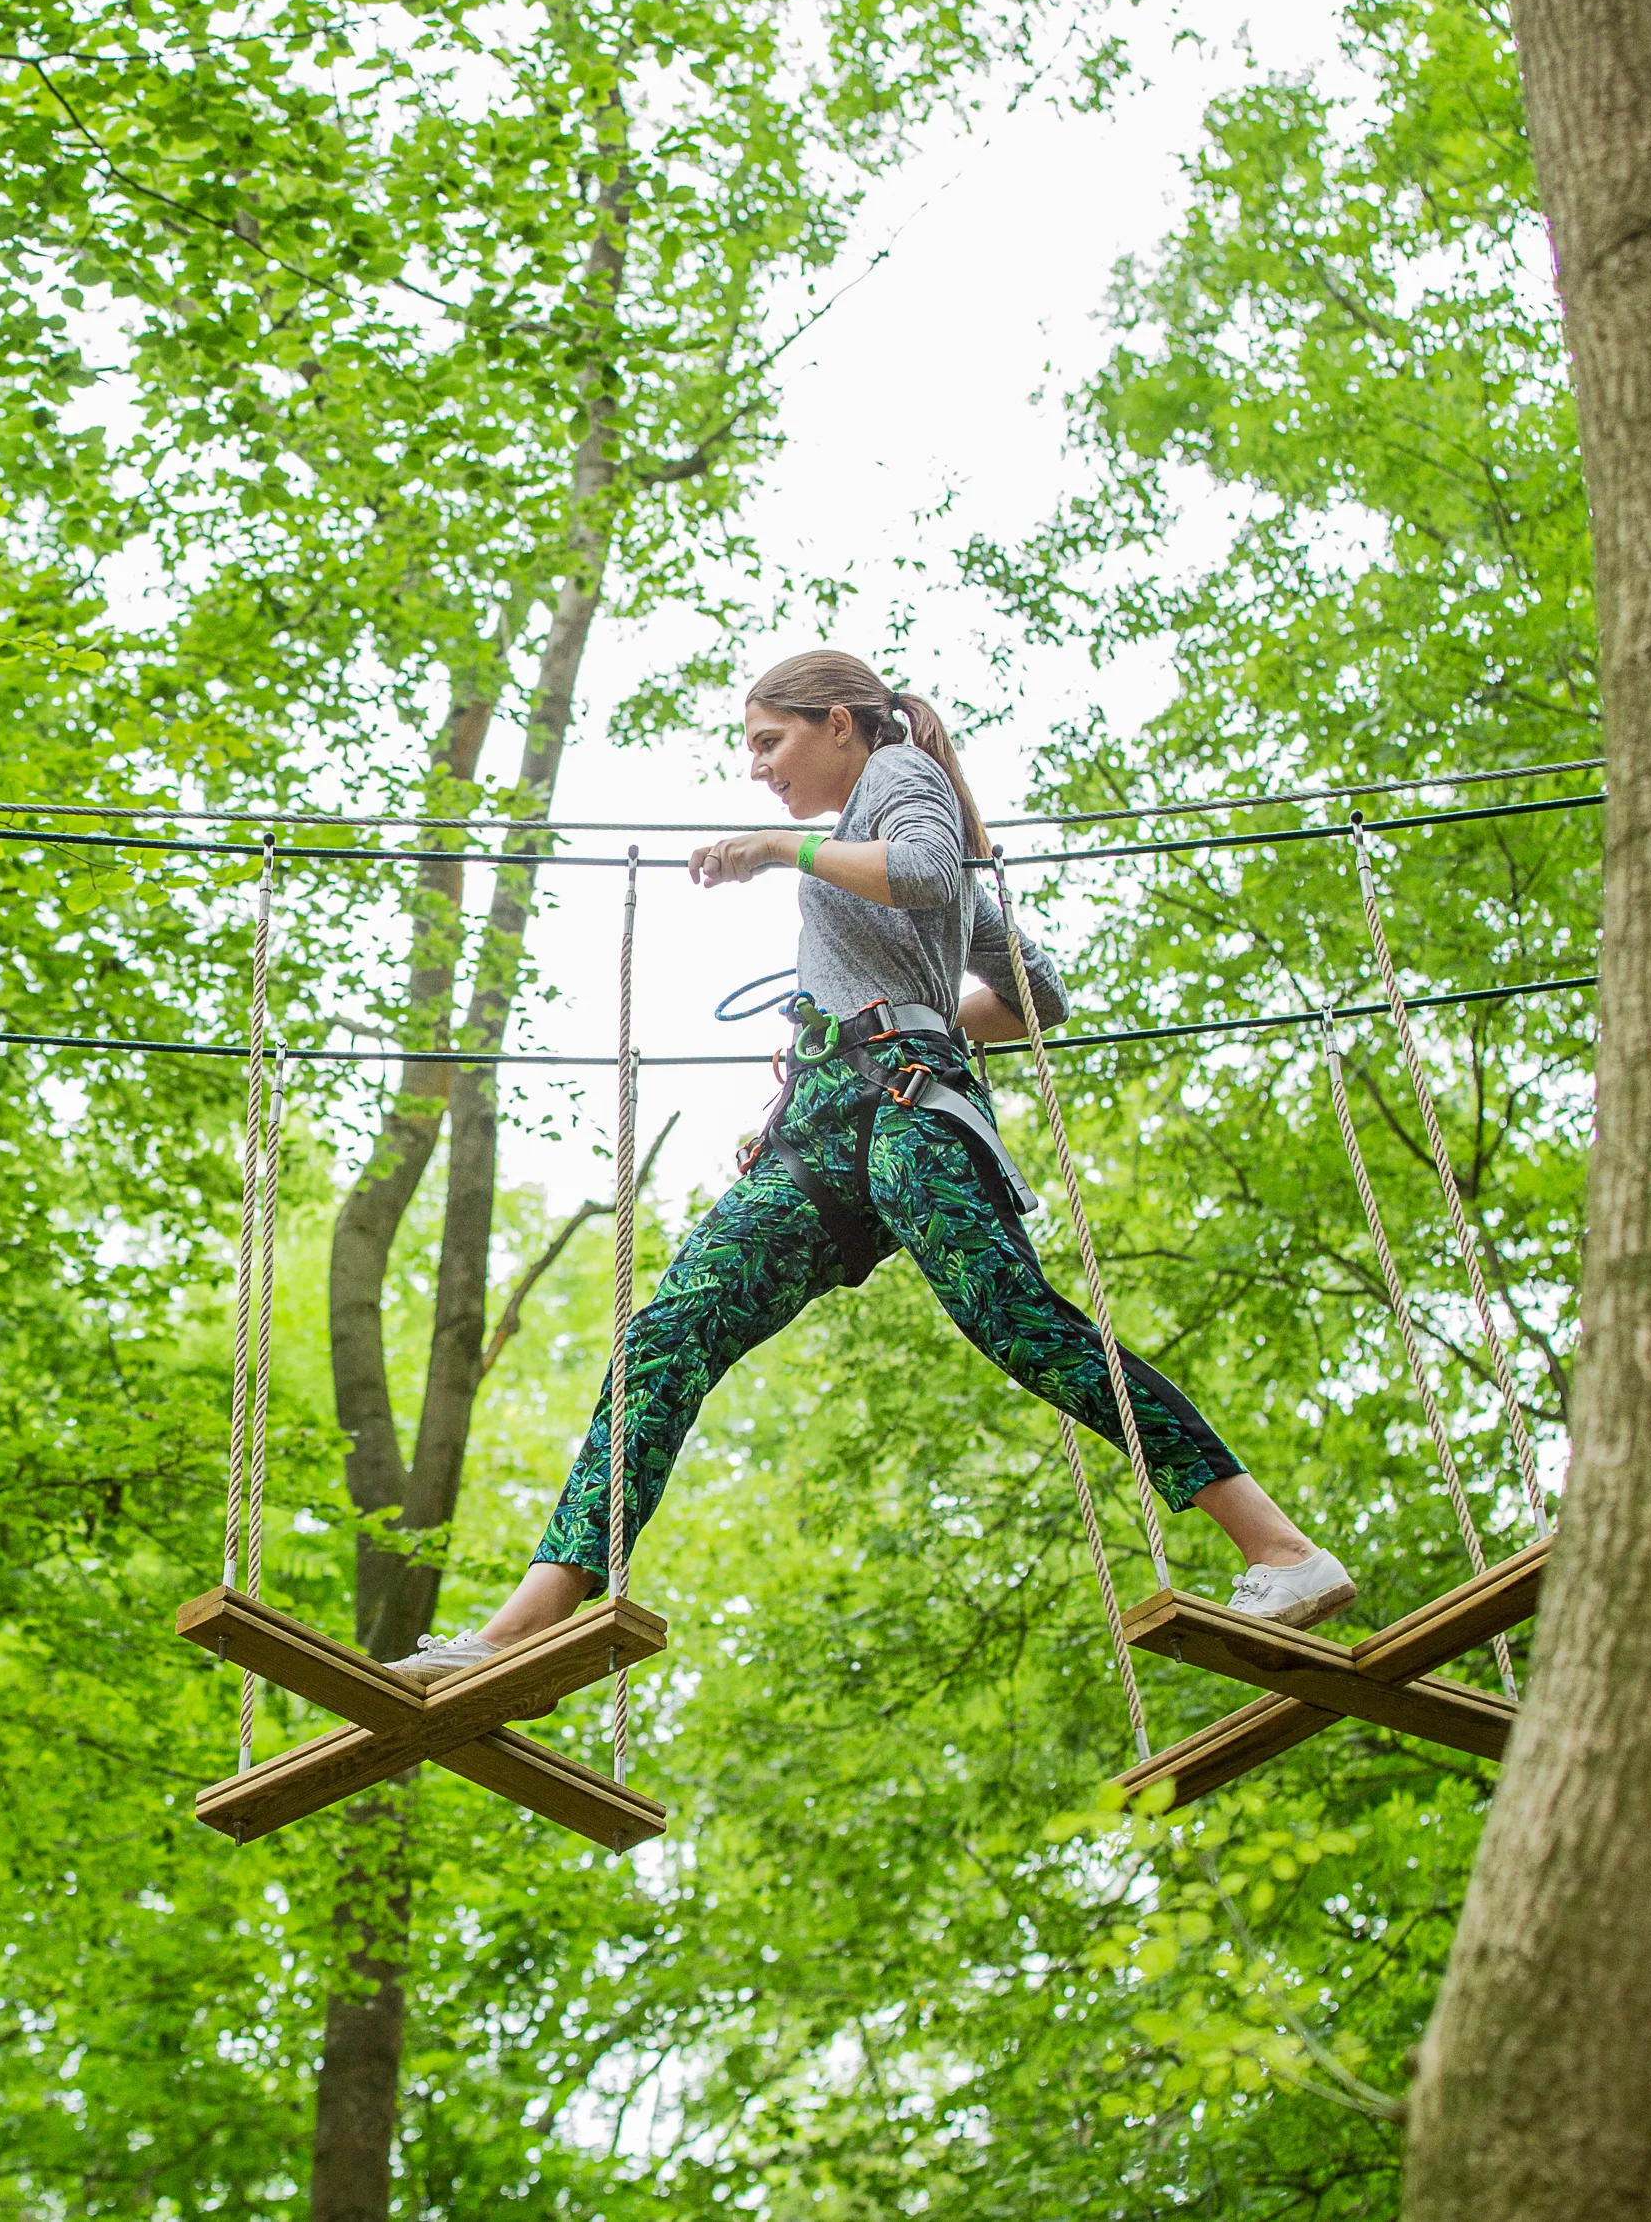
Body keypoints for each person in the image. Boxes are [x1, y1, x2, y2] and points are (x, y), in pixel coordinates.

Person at [403, 651, 1354, 1686]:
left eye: (772, 740)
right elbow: (1036, 989)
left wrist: (782, 855)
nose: (760, 767)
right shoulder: (864, 820)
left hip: (908, 1119)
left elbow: (928, 874)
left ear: (845, 723)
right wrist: (890, 1015)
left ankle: (1282, 1549)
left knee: (1020, 1321)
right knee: (671, 1326)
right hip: (817, 1136)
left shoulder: (898, 775)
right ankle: (529, 1620)